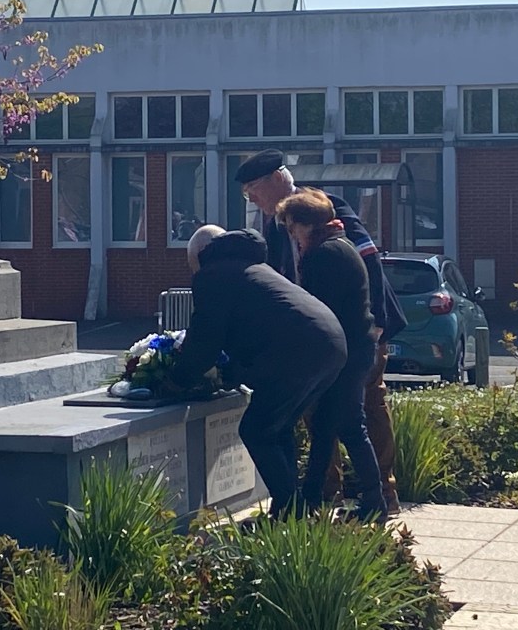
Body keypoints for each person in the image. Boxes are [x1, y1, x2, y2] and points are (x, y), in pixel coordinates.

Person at [234, 148, 407, 514]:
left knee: (364, 410)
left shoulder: (323, 209)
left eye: (253, 190)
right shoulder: (276, 225)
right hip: (322, 340)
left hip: (358, 331)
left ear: (277, 179)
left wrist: (375, 323)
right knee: (323, 417)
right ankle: (325, 494)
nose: (252, 200)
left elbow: (369, 259)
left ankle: (382, 494)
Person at [171, 225, 346, 519]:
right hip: (330, 343)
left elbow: (206, 339)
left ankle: (292, 512)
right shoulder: (252, 267)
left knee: (256, 430)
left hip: (298, 350)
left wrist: (176, 380)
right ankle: (286, 510)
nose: (193, 272)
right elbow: (251, 325)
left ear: (200, 255)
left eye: (192, 265)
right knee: (278, 427)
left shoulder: (212, 275)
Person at [276, 188, 388, 522]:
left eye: (292, 227)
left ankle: (375, 502)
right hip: (356, 349)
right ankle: (312, 496)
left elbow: (315, 310)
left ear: (306, 223)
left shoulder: (323, 254)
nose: (292, 235)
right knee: (326, 426)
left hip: (344, 355)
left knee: (350, 427)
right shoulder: (341, 244)